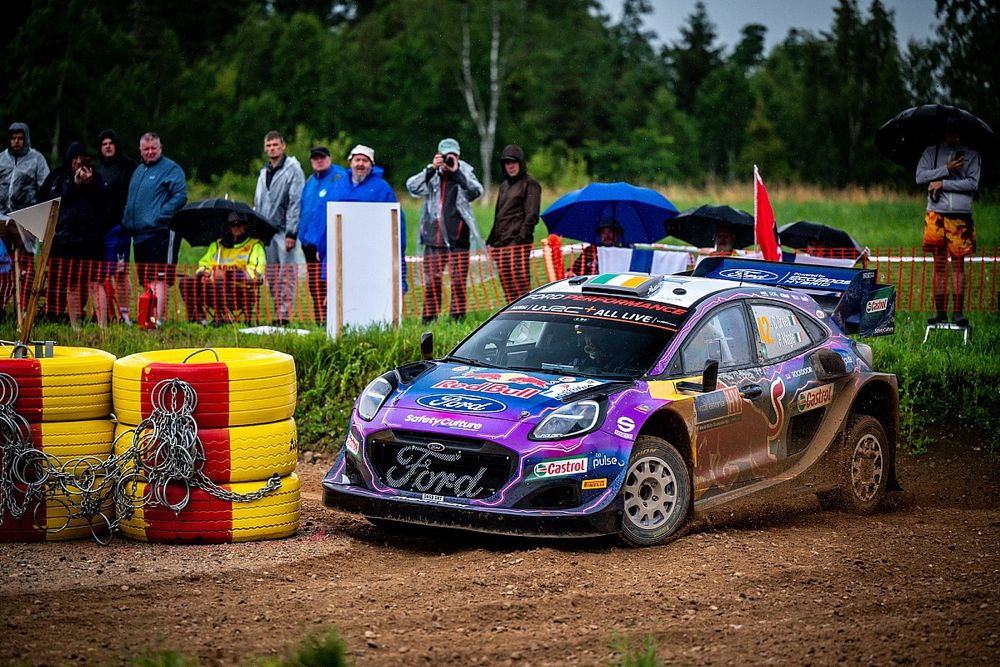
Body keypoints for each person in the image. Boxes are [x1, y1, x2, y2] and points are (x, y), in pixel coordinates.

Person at [406, 138, 484, 323]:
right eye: (446, 155)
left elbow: (476, 192)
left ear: (458, 156)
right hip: (433, 239)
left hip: (458, 240)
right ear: (439, 155)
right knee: (432, 283)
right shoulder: (432, 173)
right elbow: (412, 187)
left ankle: (457, 320)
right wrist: (432, 168)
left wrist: (457, 174)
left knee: (458, 284)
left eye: (453, 155)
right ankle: (429, 320)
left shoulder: (465, 172)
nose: (449, 159)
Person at [37, 142, 111, 328]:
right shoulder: (59, 177)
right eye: (74, 158)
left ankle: (103, 326)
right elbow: (49, 201)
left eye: (81, 158)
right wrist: (74, 185)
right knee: (71, 285)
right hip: (66, 239)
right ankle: (75, 326)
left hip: (92, 240)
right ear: (68, 160)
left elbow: (106, 200)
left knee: (96, 283)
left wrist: (90, 183)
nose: (78, 162)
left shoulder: (96, 177)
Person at [916, 115, 980, 327]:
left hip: (960, 218)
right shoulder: (931, 152)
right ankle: (940, 312)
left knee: (959, 265)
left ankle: (958, 313)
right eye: (949, 130)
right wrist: (946, 169)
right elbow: (920, 177)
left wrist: (943, 183)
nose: (953, 135)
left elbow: (972, 183)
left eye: (957, 131)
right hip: (936, 215)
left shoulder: (971, 155)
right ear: (944, 132)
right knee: (940, 265)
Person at [121, 132, 188, 325]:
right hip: (139, 233)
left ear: (161, 148)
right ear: (140, 150)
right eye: (146, 149)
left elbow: (180, 195)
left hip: (162, 232)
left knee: (160, 276)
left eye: (153, 148)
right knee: (146, 278)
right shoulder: (139, 170)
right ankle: (147, 315)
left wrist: (161, 216)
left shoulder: (171, 169)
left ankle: (158, 319)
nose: (150, 152)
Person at [254, 130, 305, 326]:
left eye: (275, 145)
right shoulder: (264, 172)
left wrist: (292, 232)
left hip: (285, 231)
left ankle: (285, 315)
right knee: (272, 275)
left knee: (287, 274)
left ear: (283, 146)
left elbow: (295, 201)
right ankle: (277, 312)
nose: (272, 149)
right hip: (266, 230)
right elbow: (258, 201)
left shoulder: (293, 169)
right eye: (268, 146)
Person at [179, 211, 266, 325]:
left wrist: (228, 275)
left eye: (240, 224)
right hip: (212, 288)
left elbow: (257, 274)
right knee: (186, 282)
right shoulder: (217, 245)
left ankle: (222, 318)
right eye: (233, 224)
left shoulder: (255, 246)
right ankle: (198, 319)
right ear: (228, 226)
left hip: (240, 292)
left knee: (219, 282)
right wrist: (203, 274)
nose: (237, 227)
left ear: (245, 226)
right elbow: (204, 264)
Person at [0, 122, 49, 315]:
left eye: (20, 138)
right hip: (1, 217)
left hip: (26, 217)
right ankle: (2, 304)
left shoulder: (37, 159)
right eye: (13, 138)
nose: (16, 142)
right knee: (2, 263)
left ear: (26, 138)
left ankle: (25, 307)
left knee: (26, 265)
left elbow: (45, 186)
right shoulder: (2, 159)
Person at [487, 144, 541, 303]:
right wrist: (490, 242)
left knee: (520, 287)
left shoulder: (530, 184)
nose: (510, 166)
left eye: (513, 162)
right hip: (500, 245)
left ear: (521, 163)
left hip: (517, 244)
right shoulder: (504, 186)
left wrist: (519, 241)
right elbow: (498, 216)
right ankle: (513, 320)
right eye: (506, 163)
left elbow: (532, 216)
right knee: (507, 287)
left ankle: (526, 320)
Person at [94, 129, 137, 324]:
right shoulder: (95, 170)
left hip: (120, 229)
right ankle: (103, 314)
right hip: (100, 231)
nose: (108, 146)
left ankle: (124, 314)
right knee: (102, 274)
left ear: (116, 146)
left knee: (120, 273)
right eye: (104, 144)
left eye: (111, 143)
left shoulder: (129, 167)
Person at [298, 146, 346, 322]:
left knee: (328, 280)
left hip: (327, 240)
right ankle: (320, 318)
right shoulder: (310, 181)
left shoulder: (339, 177)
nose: (319, 161)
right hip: (308, 240)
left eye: (322, 157)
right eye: (315, 158)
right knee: (314, 282)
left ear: (329, 158)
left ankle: (332, 318)